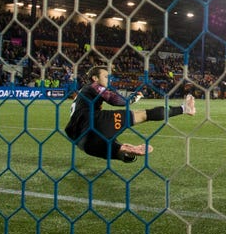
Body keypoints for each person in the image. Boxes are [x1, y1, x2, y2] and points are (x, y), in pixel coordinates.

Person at [65, 66, 195, 163]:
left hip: (81, 140)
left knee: (110, 145)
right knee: (144, 115)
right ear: (95, 78)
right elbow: (115, 100)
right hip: (93, 122)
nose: (108, 79)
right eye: (105, 77)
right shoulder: (94, 86)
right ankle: (185, 109)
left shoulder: (83, 91)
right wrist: (132, 99)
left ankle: (123, 152)